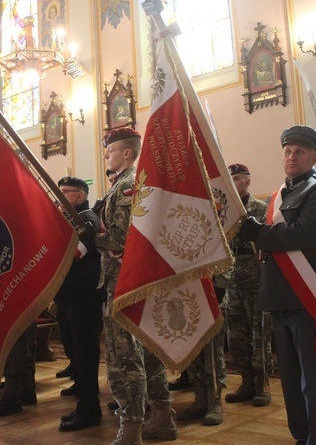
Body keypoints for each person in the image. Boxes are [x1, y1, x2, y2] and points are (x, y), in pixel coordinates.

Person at [238, 125, 316, 444]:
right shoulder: (276, 195)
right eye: (287, 151)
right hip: (278, 293)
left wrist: (257, 233)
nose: (291, 156)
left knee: (315, 379)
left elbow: (305, 234)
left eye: (299, 151)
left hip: (307, 292)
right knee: (290, 378)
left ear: (314, 156)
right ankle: (302, 436)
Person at [96, 127, 175, 444]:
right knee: (148, 352)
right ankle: (162, 418)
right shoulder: (129, 184)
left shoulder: (128, 186)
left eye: (110, 150)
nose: (107, 155)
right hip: (135, 280)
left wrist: (92, 236)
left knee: (124, 357)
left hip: (126, 281)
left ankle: (131, 429)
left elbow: (121, 239)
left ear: (126, 153)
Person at [54, 176, 105, 432]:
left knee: (85, 352)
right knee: (76, 350)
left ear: (81, 195)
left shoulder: (87, 220)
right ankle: (83, 396)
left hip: (83, 298)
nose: (60, 196)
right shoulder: (71, 219)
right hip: (70, 297)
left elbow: (75, 254)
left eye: (65, 191)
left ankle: (89, 410)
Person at [223, 163, 272, 407]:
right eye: (231, 179)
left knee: (259, 334)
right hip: (232, 280)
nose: (235, 183)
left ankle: (262, 385)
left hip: (256, 279)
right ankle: (246, 381)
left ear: (248, 182)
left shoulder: (260, 209)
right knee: (236, 336)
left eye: (239, 178)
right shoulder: (224, 211)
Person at [175, 282, 227, 426]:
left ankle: (214, 402)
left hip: (211, 289)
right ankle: (200, 400)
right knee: (192, 349)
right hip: (186, 290)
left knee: (212, 352)